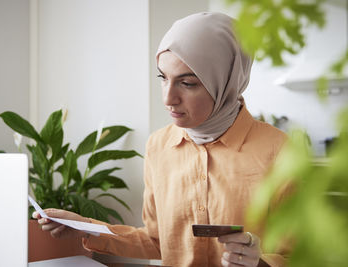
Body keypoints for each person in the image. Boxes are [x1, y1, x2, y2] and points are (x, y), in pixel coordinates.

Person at [33, 12, 288, 267]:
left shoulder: (280, 150)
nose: (168, 99)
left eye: (187, 83)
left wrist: (261, 263)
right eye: (163, 78)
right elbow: (156, 241)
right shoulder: (158, 146)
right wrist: (84, 228)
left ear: (227, 81)